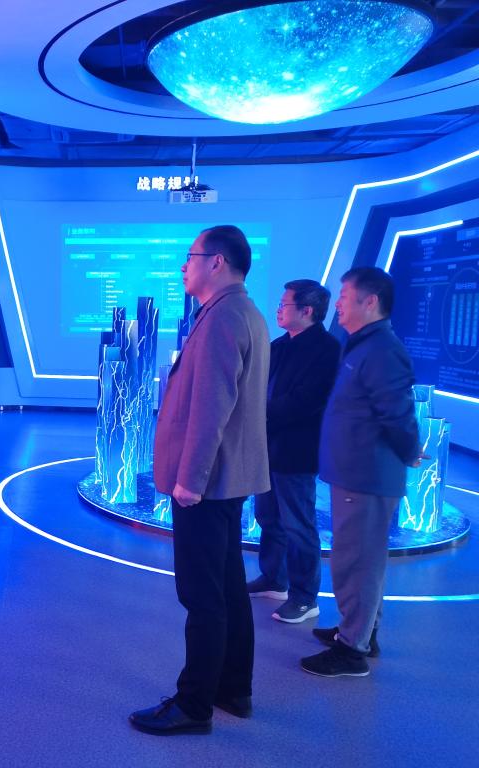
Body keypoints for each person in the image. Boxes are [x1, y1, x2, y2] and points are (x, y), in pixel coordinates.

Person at [130, 225, 270, 735]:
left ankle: (194, 705)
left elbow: (211, 408)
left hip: (206, 483)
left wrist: (189, 479)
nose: (182, 266)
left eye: (190, 257)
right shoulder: (242, 312)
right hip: (227, 478)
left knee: (202, 594)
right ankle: (233, 688)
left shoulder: (222, 318)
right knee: (228, 587)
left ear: (217, 262)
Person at [301, 266, 420, 677]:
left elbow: (397, 413)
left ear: (370, 302)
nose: (337, 304)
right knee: (360, 560)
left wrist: (410, 451)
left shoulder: (382, 350)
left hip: (367, 476)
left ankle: (352, 649)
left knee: (357, 563)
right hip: (356, 473)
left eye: (345, 296)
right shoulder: (365, 345)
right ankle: (361, 632)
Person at [247, 280, 340, 623]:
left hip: (297, 450)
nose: (278, 310)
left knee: (298, 524)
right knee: (268, 516)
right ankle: (274, 578)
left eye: (284, 304)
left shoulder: (327, 350)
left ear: (307, 310)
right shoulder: (280, 345)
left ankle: (305, 597)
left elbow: (306, 401)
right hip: (268, 446)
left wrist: (259, 414)